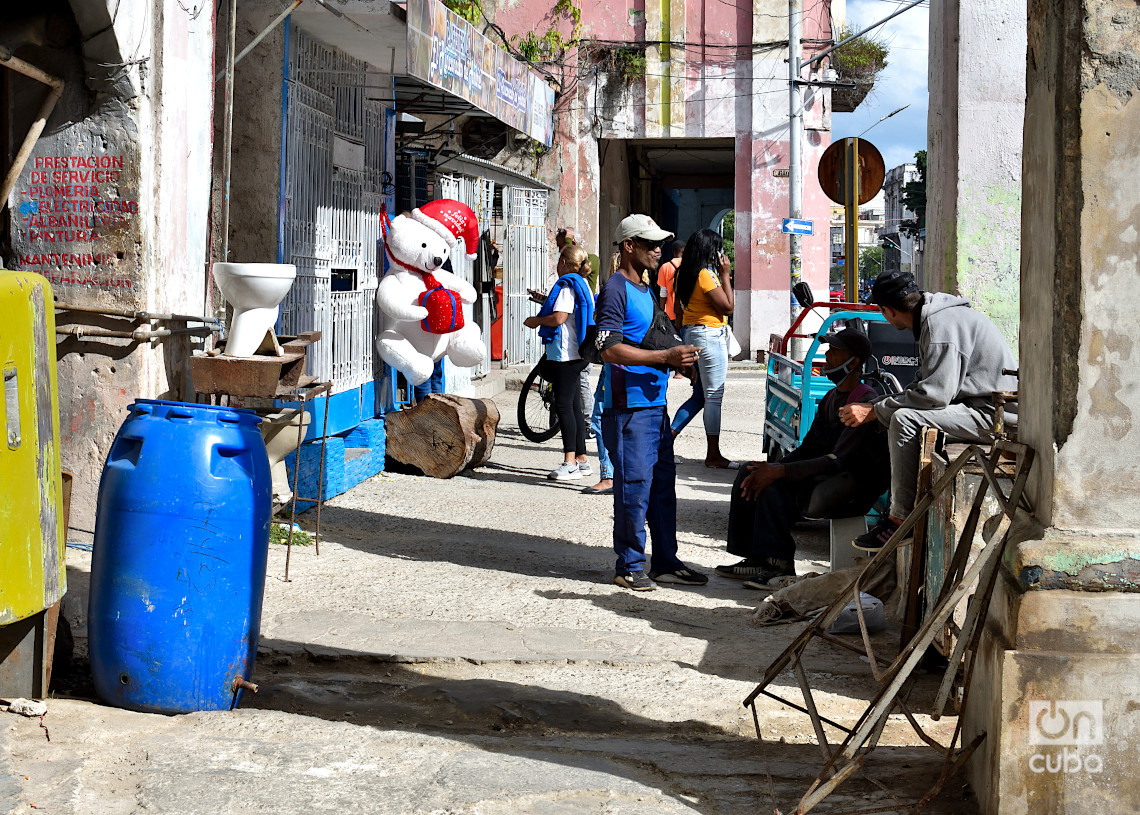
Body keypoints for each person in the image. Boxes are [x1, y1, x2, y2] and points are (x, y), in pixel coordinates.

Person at [838, 270, 1018, 551]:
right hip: (979, 406)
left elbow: (933, 396)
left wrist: (874, 412)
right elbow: (923, 387)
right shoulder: (934, 317)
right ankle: (899, 513)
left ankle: (900, 519)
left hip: (995, 416)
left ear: (888, 311)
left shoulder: (939, 327)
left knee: (903, 419)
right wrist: (874, 406)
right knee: (897, 412)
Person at [717, 329, 890, 587]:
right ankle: (756, 557)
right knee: (749, 472)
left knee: (775, 486)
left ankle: (780, 564)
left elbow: (839, 459)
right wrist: (773, 466)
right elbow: (809, 448)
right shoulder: (831, 397)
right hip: (829, 474)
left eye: (834, 351)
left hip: (853, 485)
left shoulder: (864, 402)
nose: (827, 355)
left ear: (853, 362)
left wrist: (780, 473)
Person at [594, 214, 706, 591]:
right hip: (628, 407)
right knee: (634, 488)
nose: (658, 249)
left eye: (660, 243)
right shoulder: (615, 288)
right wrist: (666, 359)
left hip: (654, 405)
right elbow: (608, 348)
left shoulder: (643, 288)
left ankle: (666, 562)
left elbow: (654, 339)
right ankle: (628, 565)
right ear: (629, 246)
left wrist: (682, 361)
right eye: (650, 243)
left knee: (660, 487)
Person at [524, 244, 596, 480]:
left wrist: (536, 320)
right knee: (574, 406)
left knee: (564, 406)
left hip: (565, 354)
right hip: (577, 353)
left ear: (564, 262)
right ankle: (583, 460)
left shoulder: (566, 286)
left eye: (558, 260)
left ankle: (569, 462)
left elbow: (559, 317)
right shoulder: (582, 282)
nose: (557, 264)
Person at [668, 229, 737, 469]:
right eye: (717, 249)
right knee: (714, 396)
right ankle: (713, 455)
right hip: (709, 335)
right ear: (710, 251)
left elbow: (678, 313)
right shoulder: (705, 275)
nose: (720, 255)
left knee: (700, 396)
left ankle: (665, 441)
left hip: (691, 332)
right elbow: (728, 307)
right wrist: (726, 275)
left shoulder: (682, 274)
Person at [656, 240, 685, 321]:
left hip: (671, 312)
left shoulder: (664, 267)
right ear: (683, 250)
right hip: (688, 314)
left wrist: (661, 311)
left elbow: (663, 292)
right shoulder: (689, 266)